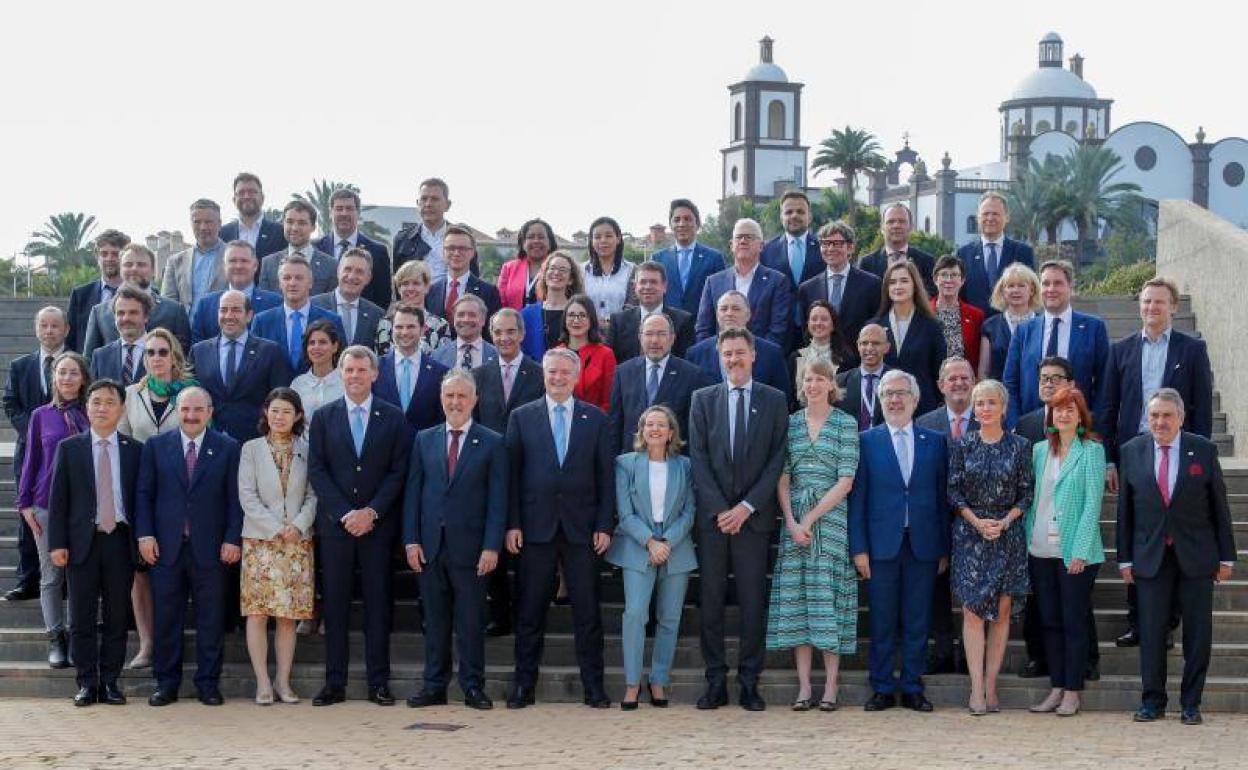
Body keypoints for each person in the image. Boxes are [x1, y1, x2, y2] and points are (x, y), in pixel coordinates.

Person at [1100, 276, 1214, 648]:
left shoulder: (1192, 350)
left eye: (1159, 303)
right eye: (1146, 302)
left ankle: (1168, 622)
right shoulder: (1121, 350)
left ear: (1174, 307)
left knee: (1175, 537)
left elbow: (1200, 409)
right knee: (1139, 538)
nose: (1151, 308)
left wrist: (1200, 459)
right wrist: (1110, 460)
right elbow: (1109, 406)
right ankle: (1140, 622)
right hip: (1135, 454)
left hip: (1178, 453)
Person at [504, 348, 615, 710]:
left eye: (565, 373)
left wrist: (603, 524)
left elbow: (605, 478)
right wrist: (513, 523)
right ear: (544, 374)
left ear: (576, 375)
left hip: (583, 530)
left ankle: (593, 687)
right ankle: (524, 685)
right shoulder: (522, 417)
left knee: (588, 613)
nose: (558, 378)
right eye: (552, 372)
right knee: (530, 612)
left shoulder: (596, 419)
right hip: (535, 528)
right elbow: (512, 476)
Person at [1119, 389, 1236, 726]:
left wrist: (1226, 556)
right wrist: (1125, 559)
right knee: (1152, 632)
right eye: (1154, 415)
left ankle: (1191, 703)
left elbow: (1220, 508)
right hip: (1150, 556)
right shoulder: (1132, 451)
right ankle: (1152, 701)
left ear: (1181, 418)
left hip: (1197, 557)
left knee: (1198, 634)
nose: (1160, 422)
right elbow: (1125, 512)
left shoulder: (1203, 449)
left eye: (1167, 415)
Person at [688, 328, 788, 711]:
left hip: (755, 519)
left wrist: (746, 507)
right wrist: (720, 510)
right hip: (713, 522)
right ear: (719, 357)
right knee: (710, 602)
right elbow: (698, 457)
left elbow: (777, 459)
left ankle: (749, 681)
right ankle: (715, 680)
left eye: (740, 353)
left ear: (753, 354)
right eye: (727, 353)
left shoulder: (775, 400)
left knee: (751, 602)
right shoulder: (702, 400)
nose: (733, 359)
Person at [307, 346, 411, 707]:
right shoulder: (322, 417)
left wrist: (372, 512)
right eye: (348, 369)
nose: (354, 376)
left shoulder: (394, 418)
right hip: (336, 529)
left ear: (374, 374)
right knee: (334, 606)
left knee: (378, 605)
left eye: (361, 369)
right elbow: (317, 470)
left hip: (377, 529)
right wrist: (344, 513)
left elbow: (399, 471)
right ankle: (334, 682)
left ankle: (377, 682)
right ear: (340, 373)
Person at [402, 370, 506, 711]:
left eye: (462, 396)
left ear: (475, 399)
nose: (455, 402)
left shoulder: (492, 441)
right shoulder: (424, 439)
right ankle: (434, 685)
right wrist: (411, 540)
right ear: (441, 399)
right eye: (450, 396)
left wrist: (492, 545)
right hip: (430, 546)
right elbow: (413, 493)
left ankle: (473, 686)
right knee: (434, 620)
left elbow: (497, 500)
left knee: (471, 621)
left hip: (473, 549)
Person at [848, 370, 949, 713]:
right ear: (880, 400)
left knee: (918, 619)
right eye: (887, 394)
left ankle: (912, 686)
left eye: (900, 393)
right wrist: (858, 548)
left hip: (922, 545)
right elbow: (858, 499)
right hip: (880, 547)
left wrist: (943, 549)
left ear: (915, 399)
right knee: (882, 620)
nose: (894, 399)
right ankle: (881, 686)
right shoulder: (865, 441)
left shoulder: (935, 442)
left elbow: (940, 499)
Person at [136, 387, 242, 707]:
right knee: (167, 619)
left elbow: (235, 499)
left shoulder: (228, 447)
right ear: (176, 410)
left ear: (210, 412)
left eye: (198, 410)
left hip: (211, 549)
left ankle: (207, 683)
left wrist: (231, 538)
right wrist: (145, 535)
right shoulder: (156, 447)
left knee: (210, 620)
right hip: (165, 549)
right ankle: (166, 684)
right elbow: (143, 494)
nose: (191, 416)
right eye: (185, 409)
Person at [766, 360, 859, 711]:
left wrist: (810, 517)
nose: (814, 385)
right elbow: (783, 476)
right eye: (808, 379)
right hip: (794, 525)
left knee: (828, 603)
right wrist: (791, 520)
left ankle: (831, 687)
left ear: (832, 384)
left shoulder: (845, 424)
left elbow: (846, 480)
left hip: (831, 521)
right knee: (799, 603)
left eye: (820, 379)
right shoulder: (789, 424)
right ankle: (805, 687)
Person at [47, 379, 142, 707]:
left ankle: (111, 682)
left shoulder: (134, 450)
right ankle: (87, 682)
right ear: (87, 408)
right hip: (80, 545)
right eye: (95, 402)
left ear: (121, 408)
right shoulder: (70, 448)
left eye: (109, 402)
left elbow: (140, 500)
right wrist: (56, 543)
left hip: (119, 541)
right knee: (81, 617)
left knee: (117, 616)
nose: (102, 408)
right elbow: (58, 501)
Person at [949, 379, 1034, 715]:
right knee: (971, 612)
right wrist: (976, 522)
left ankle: (991, 685)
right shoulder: (963, 445)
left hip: (1007, 535)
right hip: (971, 536)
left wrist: (1005, 521)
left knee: (1000, 614)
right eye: (979, 403)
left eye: (990, 402)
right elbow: (953, 492)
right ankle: (975, 690)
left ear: (1003, 407)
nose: (984, 409)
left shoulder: (1021, 446)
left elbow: (1027, 491)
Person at [605, 405, 696, 710]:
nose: (655, 430)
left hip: (676, 546)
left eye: (661, 425)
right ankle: (632, 684)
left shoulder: (685, 466)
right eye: (649, 425)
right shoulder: (626, 464)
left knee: (669, 618)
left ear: (672, 433)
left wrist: (667, 540)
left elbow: (689, 511)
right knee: (635, 615)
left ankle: (658, 680)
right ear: (642, 432)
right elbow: (625, 512)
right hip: (637, 546)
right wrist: (650, 541)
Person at [118, 328, 199, 669]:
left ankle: (177, 640)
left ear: (174, 356)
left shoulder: (191, 394)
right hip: (142, 491)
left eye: (162, 352)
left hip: (183, 496)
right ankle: (148, 643)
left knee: (182, 568)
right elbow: (122, 442)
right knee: (142, 572)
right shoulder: (130, 394)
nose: (156, 358)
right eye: (150, 352)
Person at [1024, 385, 1106, 717]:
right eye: (1058, 409)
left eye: (1070, 409)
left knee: (1074, 622)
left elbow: (1092, 505)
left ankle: (1073, 691)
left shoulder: (1092, 451)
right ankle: (1057, 687)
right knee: (1050, 622)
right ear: (1052, 416)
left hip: (1075, 552)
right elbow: (1032, 501)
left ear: (1080, 415)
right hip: (1041, 548)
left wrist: (1081, 552)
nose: (1064, 414)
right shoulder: (1040, 451)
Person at [238, 387, 317, 706]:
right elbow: (247, 495)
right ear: (265, 414)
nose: (279, 416)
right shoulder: (251, 449)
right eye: (274, 410)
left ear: (297, 415)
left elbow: (314, 494)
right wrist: (275, 528)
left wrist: (297, 525)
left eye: (286, 411)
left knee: (288, 616)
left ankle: (283, 681)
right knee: (257, 614)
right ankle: (262, 683)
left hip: (297, 543)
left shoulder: (307, 449)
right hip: (260, 543)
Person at [473, 308, 546, 637]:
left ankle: (528, 615)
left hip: (530, 468)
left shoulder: (539, 373)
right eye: (498, 332)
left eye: (510, 332)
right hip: (489, 472)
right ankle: (500, 614)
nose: (504, 338)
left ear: (522, 334)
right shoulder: (478, 375)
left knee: (527, 547)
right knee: (495, 546)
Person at [17, 352, 90, 668]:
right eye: (62, 372)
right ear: (54, 378)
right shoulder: (40, 416)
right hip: (46, 504)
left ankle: (77, 636)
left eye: (74, 372)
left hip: (85, 507)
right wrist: (24, 504)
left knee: (80, 575)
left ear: (83, 378)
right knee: (51, 577)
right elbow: (30, 460)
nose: (68, 378)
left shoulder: (93, 412)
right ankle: (55, 638)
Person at [915, 356, 979, 675]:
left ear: (974, 382)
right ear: (941, 386)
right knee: (937, 589)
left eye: (964, 377)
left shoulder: (988, 419)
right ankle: (942, 649)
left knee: (973, 590)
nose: (958, 383)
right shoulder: (924, 424)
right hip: (935, 519)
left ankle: (971, 654)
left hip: (977, 523)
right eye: (951, 378)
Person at [3, 307, 67, 603]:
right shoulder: (20, 365)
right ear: (36, 329)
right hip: (30, 452)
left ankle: (64, 581)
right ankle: (27, 579)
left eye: (55, 325)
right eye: (44, 325)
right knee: (28, 515)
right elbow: (10, 402)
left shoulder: (75, 363)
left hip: (66, 453)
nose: (49, 330)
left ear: (66, 329)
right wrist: (34, 431)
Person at [1003, 259, 1110, 422]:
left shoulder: (1094, 328)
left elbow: (1104, 381)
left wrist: (1092, 420)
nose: (1051, 289)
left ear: (1070, 286)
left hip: (1077, 425)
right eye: (1046, 284)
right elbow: (1010, 382)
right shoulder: (1024, 331)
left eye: (1058, 283)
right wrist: (1015, 423)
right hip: (1031, 426)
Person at [190, 289, 294, 443]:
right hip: (208, 441)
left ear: (249, 315)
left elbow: (280, 399)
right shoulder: (199, 351)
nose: (229, 316)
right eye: (223, 310)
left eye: (236, 310)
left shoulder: (270, 351)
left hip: (255, 441)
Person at [607, 313, 709, 455]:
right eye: (649, 334)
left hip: (673, 459)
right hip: (632, 462)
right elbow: (615, 424)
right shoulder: (623, 372)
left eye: (661, 334)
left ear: (672, 338)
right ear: (640, 338)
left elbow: (696, 428)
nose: (655, 340)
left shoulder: (692, 375)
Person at [694, 218, 793, 349]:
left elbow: (778, 330)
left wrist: (752, 355)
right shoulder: (713, 282)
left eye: (749, 237)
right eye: (739, 237)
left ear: (761, 246)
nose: (743, 241)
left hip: (760, 359)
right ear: (731, 245)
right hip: (720, 360)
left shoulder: (778, 281)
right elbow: (703, 329)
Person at [82, 244, 192, 360]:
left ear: (153, 271)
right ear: (120, 269)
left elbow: (183, 360)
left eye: (141, 265)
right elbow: (89, 362)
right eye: (128, 265)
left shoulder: (174, 311)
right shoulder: (99, 313)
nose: (134, 269)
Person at [796, 221, 880, 369]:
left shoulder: (871, 284)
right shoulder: (807, 289)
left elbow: (875, 326)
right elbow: (805, 332)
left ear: (850, 247)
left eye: (837, 243)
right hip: (819, 367)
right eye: (825, 243)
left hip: (859, 365)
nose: (830, 248)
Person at [685, 290, 791, 402]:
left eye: (736, 308)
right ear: (717, 315)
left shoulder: (772, 353)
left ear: (748, 315)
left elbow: (783, 400)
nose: (729, 313)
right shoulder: (695, 354)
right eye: (724, 309)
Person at [870, 261, 946, 414]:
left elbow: (939, 371)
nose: (898, 286)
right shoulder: (874, 326)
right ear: (886, 288)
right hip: (883, 408)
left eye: (904, 281)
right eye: (892, 282)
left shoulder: (932, 326)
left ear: (914, 285)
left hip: (922, 407)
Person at [251, 255, 347, 374]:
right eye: (287, 278)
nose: (292, 283)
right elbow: (254, 367)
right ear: (280, 284)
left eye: (299, 278)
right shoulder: (262, 322)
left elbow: (341, 364)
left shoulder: (332, 320)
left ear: (310, 283)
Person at [956, 191, 1036, 315]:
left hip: (1012, 327)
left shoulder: (1022, 252)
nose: (990, 218)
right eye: (985, 214)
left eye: (995, 214)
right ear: (978, 217)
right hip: (975, 328)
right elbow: (959, 295)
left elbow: (1032, 292)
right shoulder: (963, 254)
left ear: (1007, 217)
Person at [373, 305, 449, 433]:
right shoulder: (375, 368)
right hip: (384, 448)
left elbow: (441, 420)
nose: (404, 332)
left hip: (423, 448)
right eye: (399, 327)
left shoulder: (440, 373)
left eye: (411, 327)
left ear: (423, 330)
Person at [190, 241, 283, 344]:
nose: (238, 266)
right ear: (224, 266)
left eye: (244, 261)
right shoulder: (206, 305)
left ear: (255, 265)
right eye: (232, 261)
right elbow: (197, 351)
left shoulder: (275, 303)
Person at [314, 187, 393, 308]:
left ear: (358, 213)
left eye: (349, 209)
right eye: (339, 209)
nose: (344, 213)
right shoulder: (315, 249)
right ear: (330, 213)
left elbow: (383, 298)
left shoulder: (378, 252)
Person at [606, 261, 694, 362]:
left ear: (664, 286)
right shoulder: (618, 321)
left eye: (653, 282)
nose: (647, 287)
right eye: (643, 282)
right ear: (635, 287)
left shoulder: (683, 321)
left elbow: (686, 362)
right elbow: (611, 361)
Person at [392, 178, 478, 280]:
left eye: (435, 199)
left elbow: (473, 279)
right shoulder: (403, 239)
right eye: (424, 199)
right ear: (417, 203)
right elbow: (398, 281)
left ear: (447, 205)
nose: (428, 204)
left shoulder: (463, 239)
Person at [653, 199, 727, 316]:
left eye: (687, 219)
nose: (682, 224)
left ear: (697, 224)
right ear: (671, 225)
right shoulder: (658, 259)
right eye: (677, 220)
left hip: (702, 327)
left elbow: (722, 297)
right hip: (668, 327)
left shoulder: (714, 258)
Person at [425, 227, 502, 328]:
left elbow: (492, 331)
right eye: (451, 248)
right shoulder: (430, 291)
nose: (456, 253)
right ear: (443, 252)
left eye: (462, 248)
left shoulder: (488, 292)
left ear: (472, 252)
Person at [310, 247, 385, 349]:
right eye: (347, 269)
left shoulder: (377, 315)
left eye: (359, 272)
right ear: (338, 272)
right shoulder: (313, 306)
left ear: (368, 278)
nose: (351, 276)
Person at [67, 229, 128, 353]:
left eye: (115, 254)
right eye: (104, 254)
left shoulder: (142, 295)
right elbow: (71, 340)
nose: (109, 259)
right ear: (97, 257)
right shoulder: (80, 296)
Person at [160, 198, 228, 310]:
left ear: (219, 224)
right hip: (184, 326)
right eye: (197, 222)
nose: (203, 227)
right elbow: (168, 303)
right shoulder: (175, 262)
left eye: (208, 222)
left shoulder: (234, 258)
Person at [257, 201, 337, 295]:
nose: (295, 228)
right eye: (290, 222)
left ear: (313, 227)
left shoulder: (330, 265)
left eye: (302, 223)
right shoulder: (268, 263)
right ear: (283, 224)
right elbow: (265, 303)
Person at [977, 263, 1040, 382]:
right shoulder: (990, 326)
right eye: (1010, 286)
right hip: (999, 396)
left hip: (1035, 396)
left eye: (1021, 286)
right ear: (1003, 291)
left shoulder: (1044, 324)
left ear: (1032, 290)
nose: (1015, 290)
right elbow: (983, 372)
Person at [857, 203, 936, 297]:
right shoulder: (867, 264)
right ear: (882, 228)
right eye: (891, 221)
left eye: (902, 221)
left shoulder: (927, 261)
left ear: (910, 227)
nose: (896, 225)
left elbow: (930, 296)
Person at [519, 251, 585, 361]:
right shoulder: (527, 314)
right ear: (544, 274)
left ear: (571, 279)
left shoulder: (580, 313)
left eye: (562, 270)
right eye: (552, 268)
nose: (556, 272)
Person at [377, 260, 452, 356]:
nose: (410, 288)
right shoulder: (386, 324)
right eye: (405, 284)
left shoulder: (440, 326)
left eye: (416, 283)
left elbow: (444, 362)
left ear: (426, 287)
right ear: (399, 288)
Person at [556, 294, 616, 413]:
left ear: (591, 320)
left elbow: (608, 400)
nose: (576, 320)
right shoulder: (555, 354)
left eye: (582, 315)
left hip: (594, 423)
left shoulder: (605, 355)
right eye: (571, 315)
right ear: (565, 320)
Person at [788, 300, 849, 408]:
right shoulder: (795, 357)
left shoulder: (846, 358)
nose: (818, 323)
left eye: (824, 319)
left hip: (836, 419)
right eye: (814, 319)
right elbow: (791, 397)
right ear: (808, 324)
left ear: (833, 325)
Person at [761, 190, 824, 294]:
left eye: (800, 212)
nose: (794, 216)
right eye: (789, 212)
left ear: (809, 217)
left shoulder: (823, 248)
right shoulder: (767, 250)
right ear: (781, 218)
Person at [87, 285, 150, 386]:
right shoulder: (100, 356)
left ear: (146, 316)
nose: (126, 318)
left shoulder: (162, 352)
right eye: (120, 313)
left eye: (133, 313)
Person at [580, 216, 636, 322]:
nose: (603, 240)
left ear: (618, 238)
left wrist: (613, 326)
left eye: (609, 236)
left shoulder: (632, 270)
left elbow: (632, 307)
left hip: (622, 332)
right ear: (591, 241)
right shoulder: (581, 271)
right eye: (597, 237)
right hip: (588, 333)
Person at [219, 172, 287, 259]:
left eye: (252, 192)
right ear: (234, 200)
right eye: (241, 192)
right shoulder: (223, 234)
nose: (246, 196)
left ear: (262, 198)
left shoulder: (279, 232)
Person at [931, 255, 984, 365]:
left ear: (962, 280)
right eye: (944, 275)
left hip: (964, 379)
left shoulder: (976, 316)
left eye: (954, 275)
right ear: (935, 279)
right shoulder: (922, 312)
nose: (949, 280)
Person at [836, 323, 890, 431]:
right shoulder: (839, 382)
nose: (869, 348)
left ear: (887, 347)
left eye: (876, 343)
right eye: (864, 343)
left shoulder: (899, 382)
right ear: (858, 346)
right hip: (850, 444)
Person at [498, 218, 557, 309]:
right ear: (523, 243)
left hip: (548, 321)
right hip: (513, 321)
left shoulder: (558, 268)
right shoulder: (509, 268)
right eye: (530, 237)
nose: (536, 241)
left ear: (550, 243)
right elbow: (500, 301)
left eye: (541, 237)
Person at [291, 320, 345, 419]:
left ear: (335, 347)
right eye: (312, 343)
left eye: (322, 342)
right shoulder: (297, 384)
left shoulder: (346, 382)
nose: (316, 347)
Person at [431, 295, 498, 369]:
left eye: (472, 315)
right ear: (454, 320)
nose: (466, 319)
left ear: (483, 320)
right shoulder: (437, 356)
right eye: (461, 315)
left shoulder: (498, 355)